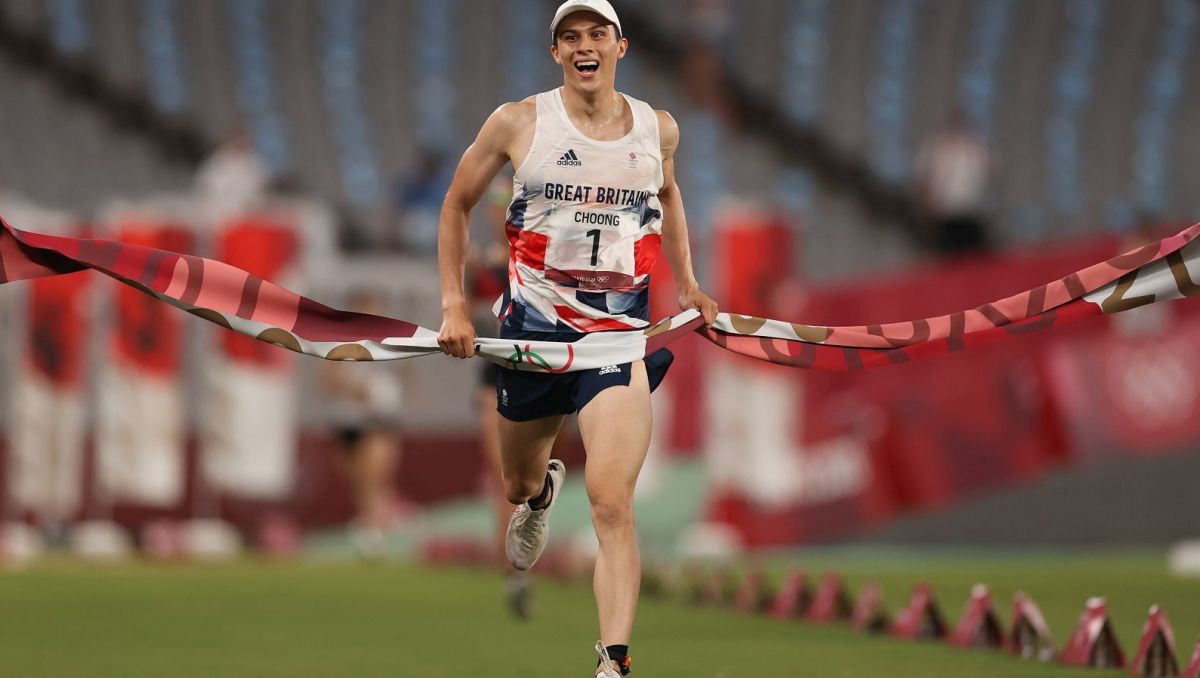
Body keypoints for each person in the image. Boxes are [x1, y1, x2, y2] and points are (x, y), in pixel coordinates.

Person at [436, 2, 718, 675]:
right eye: (571, 36)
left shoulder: (659, 129)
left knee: (613, 504)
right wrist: (454, 305)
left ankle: (613, 662)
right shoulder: (518, 122)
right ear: (555, 51)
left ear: (620, 47)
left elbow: (669, 195)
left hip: (615, 344)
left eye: (597, 34)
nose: (584, 46)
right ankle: (538, 497)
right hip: (532, 337)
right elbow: (456, 204)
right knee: (516, 479)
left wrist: (688, 282)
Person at [915, 108, 993, 255]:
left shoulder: (975, 147)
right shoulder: (936, 147)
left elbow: (988, 174)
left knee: (971, 257)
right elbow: (924, 179)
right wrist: (928, 204)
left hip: (971, 212)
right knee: (947, 257)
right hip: (945, 213)